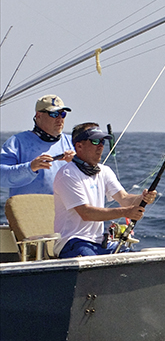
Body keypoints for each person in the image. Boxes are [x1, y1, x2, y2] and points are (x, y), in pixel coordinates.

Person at [53, 123, 156, 258]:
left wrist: (143, 198)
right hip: (72, 242)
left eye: (102, 141)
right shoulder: (67, 174)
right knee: (92, 261)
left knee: (135, 258)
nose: (100, 145)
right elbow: (86, 213)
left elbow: (124, 199)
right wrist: (126, 212)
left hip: (99, 242)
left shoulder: (104, 171)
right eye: (95, 141)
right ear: (79, 146)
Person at [1, 94, 77, 196]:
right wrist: (30, 168)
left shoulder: (73, 142)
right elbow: (2, 177)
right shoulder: (17, 142)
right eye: (54, 114)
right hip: (30, 210)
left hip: (66, 210)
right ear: (39, 116)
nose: (59, 118)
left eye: (62, 114)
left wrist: (78, 162)